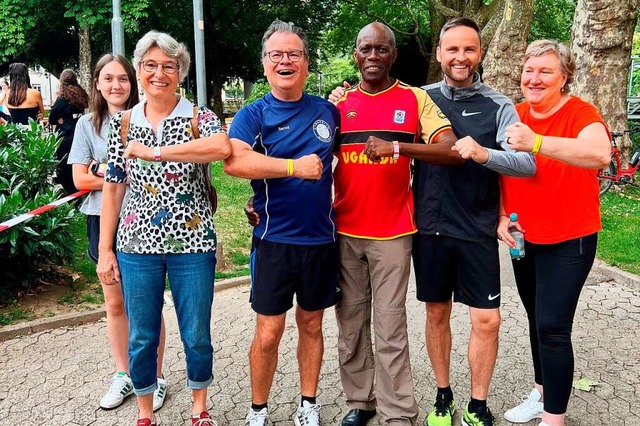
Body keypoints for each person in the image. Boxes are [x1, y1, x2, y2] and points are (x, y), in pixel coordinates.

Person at [330, 22, 464, 426]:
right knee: (350, 324)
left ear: (393, 55)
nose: (373, 57)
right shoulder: (336, 104)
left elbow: (451, 148)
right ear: (356, 54)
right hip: (344, 230)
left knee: (390, 327)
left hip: (392, 232)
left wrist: (397, 147)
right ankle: (360, 401)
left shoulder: (414, 98)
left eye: (382, 49)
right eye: (366, 49)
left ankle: (398, 412)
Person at [97, 31, 231, 426]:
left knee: (196, 333)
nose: (159, 73)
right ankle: (143, 412)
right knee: (142, 336)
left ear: (181, 72)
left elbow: (220, 148)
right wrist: (106, 250)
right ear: (138, 71)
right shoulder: (123, 123)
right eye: (150, 65)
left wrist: (155, 151)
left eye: (169, 66)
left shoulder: (198, 117)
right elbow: (113, 186)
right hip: (136, 245)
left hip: (192, 243)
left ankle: (199, 408)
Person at [224, 19, 341, 426]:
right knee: (269, 332)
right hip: (273, 240)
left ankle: (308, 403)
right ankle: (258, 409)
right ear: (265, 63)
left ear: (306, 62)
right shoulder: (253, 114)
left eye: (294, 54)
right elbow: (235, 162)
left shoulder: (328, 111)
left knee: (312, 326)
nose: (285, 61)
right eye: (277, 55)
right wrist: (293, 167)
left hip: (321, 241)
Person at [500, 40, 611, 426]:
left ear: (565, 77)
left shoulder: (580, 113)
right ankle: (542, 391)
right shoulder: (512, 114)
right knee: (535, 318)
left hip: (570, 238)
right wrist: (500, 216)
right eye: (529, 70)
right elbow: (498, 167)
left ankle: (554, 419)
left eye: (545, 71)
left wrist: (538, 142)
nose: (534, 79)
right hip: (524, 237)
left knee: (553, 327)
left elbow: (599, 153)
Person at [68, 53, 169, 412]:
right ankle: (125, 374)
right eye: (108, 78)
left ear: (134, 80)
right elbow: (80, 178)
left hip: (143, 222)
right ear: (96, 83)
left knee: (147, 304)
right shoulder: (86, 126)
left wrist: (105, 169)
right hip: (102, 224)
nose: (116, 85)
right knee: (114, 304)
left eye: (122, 78)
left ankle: (155, 379)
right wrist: (115, 171)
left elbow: (154, 168)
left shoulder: (145, 119)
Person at [50, 69, 89, 195]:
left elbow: (51, 118)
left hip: (65, 137)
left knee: (64, 167)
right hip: (79, 134)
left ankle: (71, 193)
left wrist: (59, 120)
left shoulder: (62, 99)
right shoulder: (81, 96)